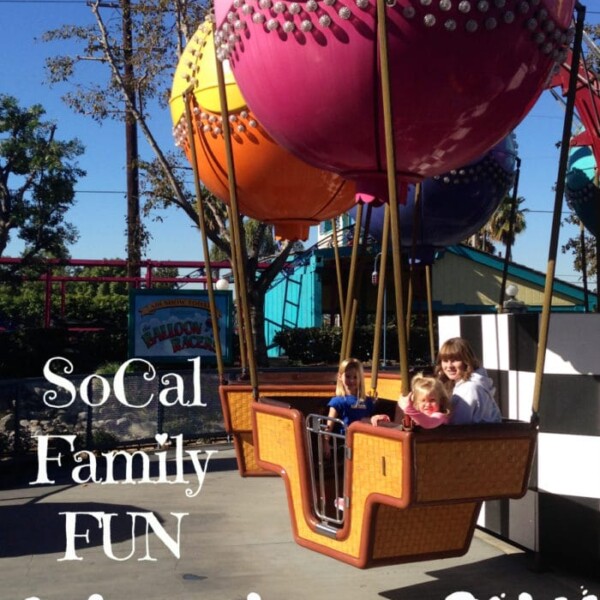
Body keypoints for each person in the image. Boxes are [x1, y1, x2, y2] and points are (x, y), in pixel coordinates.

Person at [435, 337, 502, 424]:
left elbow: (458, 426)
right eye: (445, 360)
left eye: (454, 360)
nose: (449, 366)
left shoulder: (470, 388)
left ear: (466, 361)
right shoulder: (456, 383)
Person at [324, 358, 374, 456]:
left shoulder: (367, 401)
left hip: (364, 443)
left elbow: (370, 420)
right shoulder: (337, 401)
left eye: (355, 377)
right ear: (340, 377)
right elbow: (329, 425)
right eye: (347, 376)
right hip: (345, 445)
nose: (351, 380)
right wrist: (325, 442)